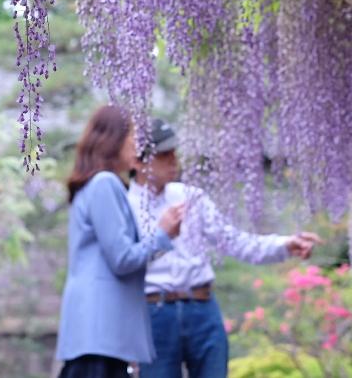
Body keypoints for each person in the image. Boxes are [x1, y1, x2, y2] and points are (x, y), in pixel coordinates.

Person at [129, 118, 322, 378]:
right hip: (154, 311)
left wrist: (284, 244)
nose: (174, 161)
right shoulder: (123, 204)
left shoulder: (191, 196)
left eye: (175, 153)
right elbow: (123, 262)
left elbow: (233, 240)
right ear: (139, 162)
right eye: (164, 155)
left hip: (202, 305)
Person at [56, 106, 185, 378]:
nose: (138, 147)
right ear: (114, 141)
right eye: (133, 139)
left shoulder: (95, 185)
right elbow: (122, 258)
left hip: (97, 334)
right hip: (99, 331)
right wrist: (162, 234)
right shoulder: (104, 184)